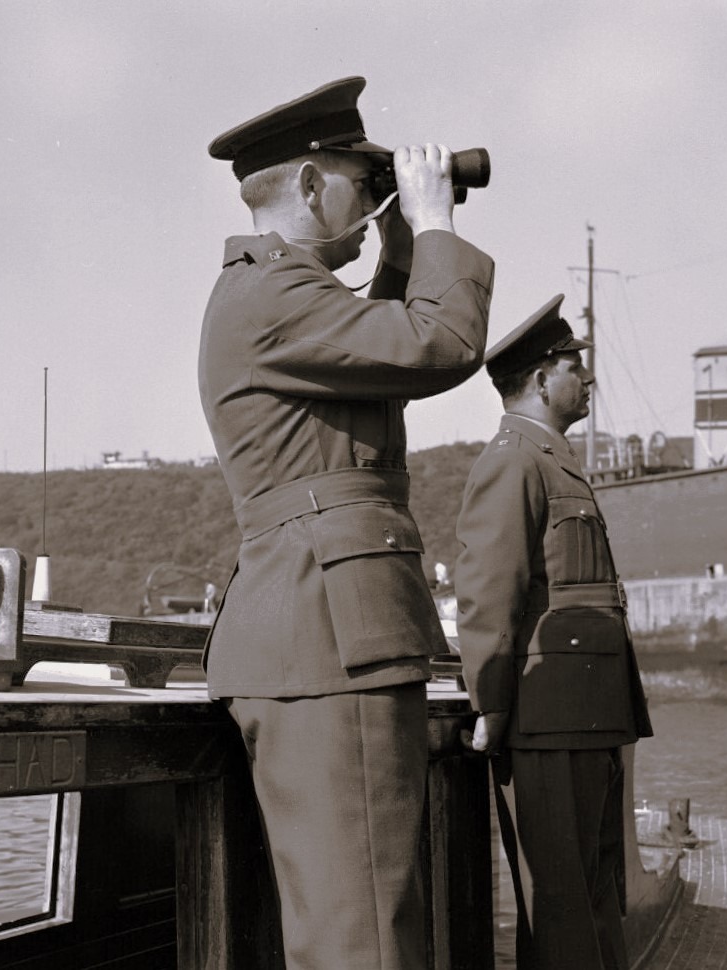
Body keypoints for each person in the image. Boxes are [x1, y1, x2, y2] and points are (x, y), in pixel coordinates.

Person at [199, 75, 494, 969]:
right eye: (364, 188)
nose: (371, 210)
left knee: (357, 918)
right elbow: (437, 345)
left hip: (319, 640)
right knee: (364, 932)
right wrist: (437, 223)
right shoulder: (272, 295)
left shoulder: (279, 296)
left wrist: (402, 246)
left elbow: (381, 342)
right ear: (312, 182)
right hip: (329, 643)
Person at [453, 293, 653, 970]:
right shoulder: (513, 462)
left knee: (594, 898)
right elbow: (487, 595)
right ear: (541, 378)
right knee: (564, 904)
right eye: (575, 365)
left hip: (586, 715)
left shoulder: (551, 458)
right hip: (545, 718)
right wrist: (491, 705)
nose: (586, 377)